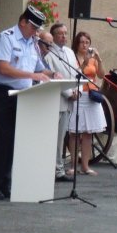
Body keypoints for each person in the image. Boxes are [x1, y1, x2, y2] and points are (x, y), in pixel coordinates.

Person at [0, 5, 56, 200]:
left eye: (37, 29)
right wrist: (33, 75)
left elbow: (39, 67)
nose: (35, 32)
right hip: (3, 93)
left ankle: (7, 182)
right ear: (23, 22)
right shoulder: (6, 38)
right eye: (33, 27)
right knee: (4, 140)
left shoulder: (32, 43)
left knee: (18, 141)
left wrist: (53, 73)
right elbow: (4, 69)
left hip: (24, 94)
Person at [68, 31, 106, 176]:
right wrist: (85, 61)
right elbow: (77, 74)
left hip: (92, 95)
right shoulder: (73, 57)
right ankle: (73, 165)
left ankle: (85, 165)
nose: (85, 45)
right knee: (74, 132)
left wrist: (99, 59)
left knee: (88, 132)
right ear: (77, 44)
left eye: (87, 42)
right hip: (79, 94)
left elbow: (101, 75)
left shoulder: (93, 59)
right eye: (82, 42)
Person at [45, 23, 78, 182]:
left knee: (62, 137)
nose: (64, 36)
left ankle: (58, 167)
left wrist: (77, 90)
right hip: (57, 100)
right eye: (60, 33)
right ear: (53, 36)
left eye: (65, 33)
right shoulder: (49, 55)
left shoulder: (70, 52)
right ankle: (56, 170)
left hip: (69, 101)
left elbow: (74, 73)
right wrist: (69, 92)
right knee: (55, 138)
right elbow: (52, 78)